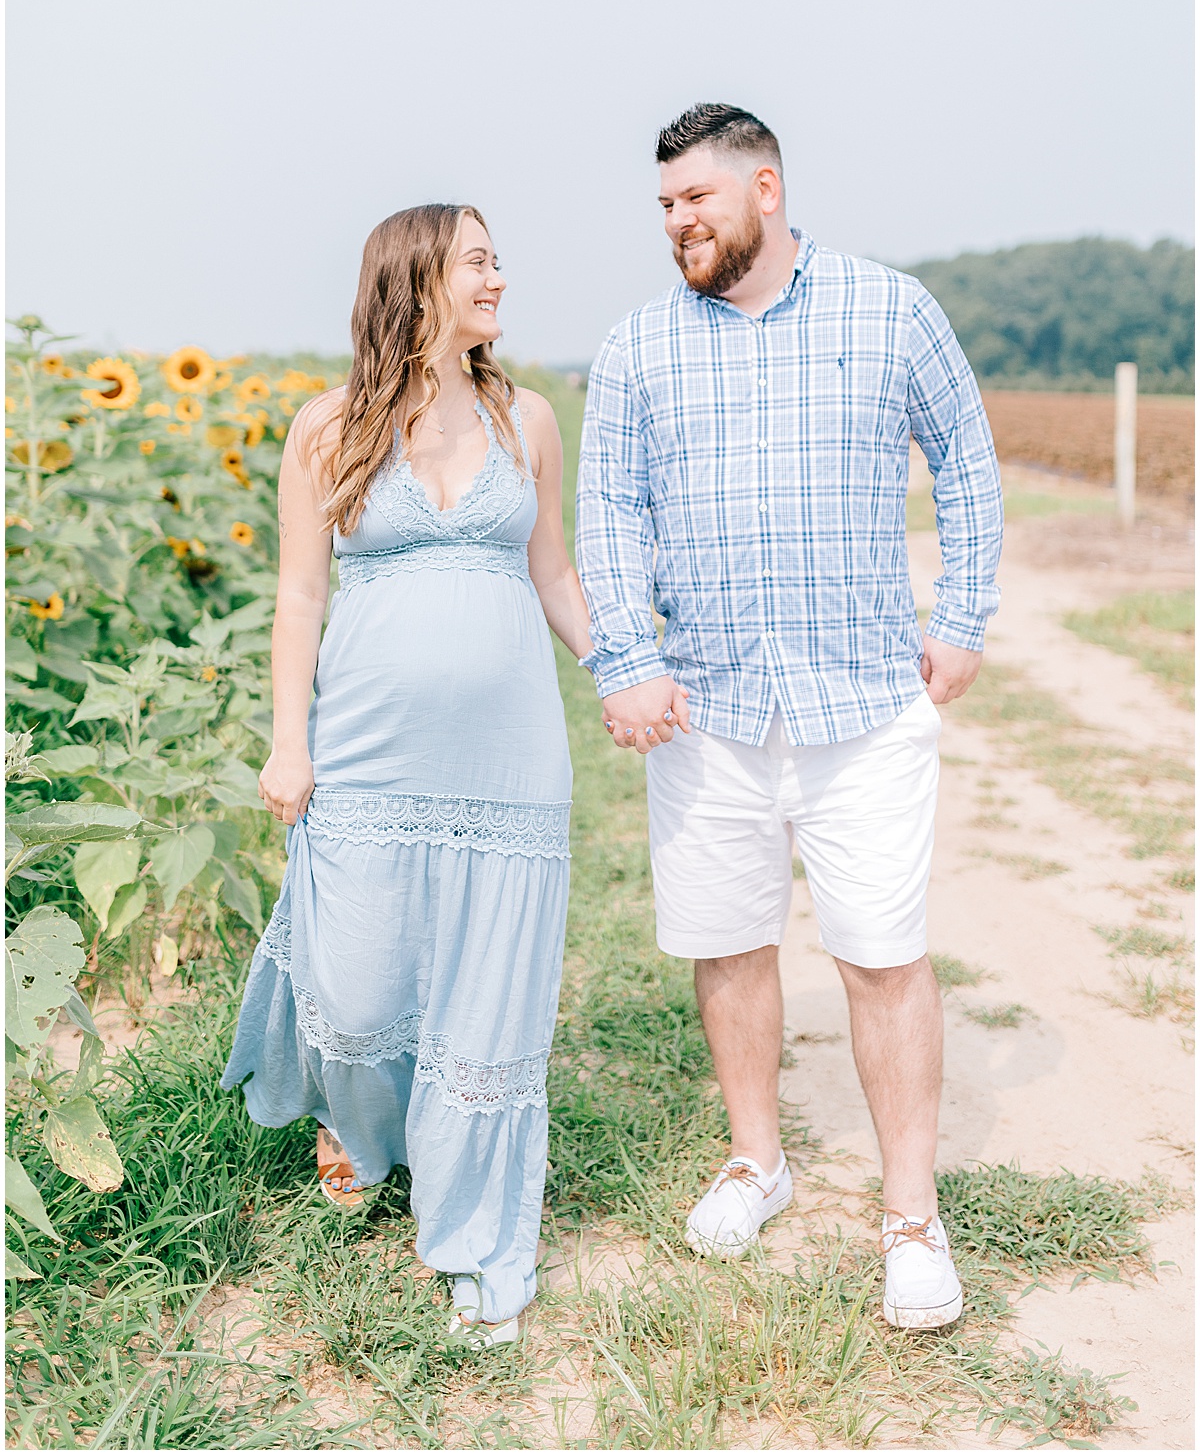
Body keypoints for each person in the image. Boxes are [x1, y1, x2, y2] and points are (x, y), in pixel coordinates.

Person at [575, 104, 1003, 1330]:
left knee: (881, 956)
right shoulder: (639, 348)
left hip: (864, 704)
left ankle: (912, 1213)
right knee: (728, 943)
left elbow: (967, 463)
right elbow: (609, 517)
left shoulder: (891, 309)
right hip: (705, 710)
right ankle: (759, 1160)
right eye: (663, 206)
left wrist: (964, 615)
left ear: (765, 186)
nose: (678, 222)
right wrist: (626, 659)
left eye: (696, 199)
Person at [221, 203, 592, 1346]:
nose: (500, 278)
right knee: (365, 984)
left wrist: (628, 672)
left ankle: (471, 1214)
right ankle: (362, 1126)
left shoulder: (524, 417)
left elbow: (557, 577)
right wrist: (293, 739)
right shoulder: (326, 427)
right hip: (370, 755)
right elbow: (299, 597)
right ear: (419, 280)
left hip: (511, 761)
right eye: (480, 261)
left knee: (487, 995)